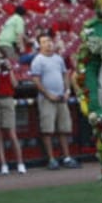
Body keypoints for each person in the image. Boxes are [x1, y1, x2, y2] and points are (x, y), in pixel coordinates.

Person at [29, 33, 77, 169]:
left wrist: (67, 91)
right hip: (47, 99)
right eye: (44, 42)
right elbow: (36, 80)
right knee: (48, 129)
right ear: (40, 45)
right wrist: (47, 94)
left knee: (64, 129)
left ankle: (67, 157)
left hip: (61, 97)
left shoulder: (58, 59)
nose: (48, 44)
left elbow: (65, 74)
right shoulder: (38, 60)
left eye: (49, 41)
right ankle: (51, 159)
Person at [0, 48, 27, 174]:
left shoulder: (8, 69)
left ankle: (20, 163)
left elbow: (15, 85)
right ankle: (3, 164)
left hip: (8, 100)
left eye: (0, 57)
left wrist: (9, 70)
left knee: (11, 133)